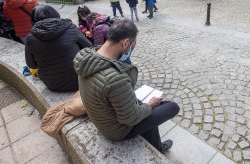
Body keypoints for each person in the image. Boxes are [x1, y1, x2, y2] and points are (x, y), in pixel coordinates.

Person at [74, 18, 179, 153]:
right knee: (171, 107)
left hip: (101, 119)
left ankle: (157, 147)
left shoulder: (88, 58)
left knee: (143, 108)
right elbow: (130, 118)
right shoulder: (116, 78)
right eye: (132, 45)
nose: (131, 49)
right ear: (125, 43)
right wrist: (150, 105)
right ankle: (158, 146)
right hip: (116, 131)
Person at [25, 5, 92, 92]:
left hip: (53, 84)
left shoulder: (30, 38)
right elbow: (89, 47)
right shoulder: (70, 28)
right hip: (80, 79)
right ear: (55, 14)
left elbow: (31, 65)